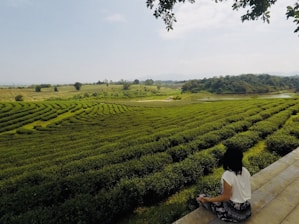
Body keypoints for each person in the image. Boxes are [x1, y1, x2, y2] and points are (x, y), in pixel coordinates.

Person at [196, 148, 252, 222]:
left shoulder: (228, 175)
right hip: (246, 210)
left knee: (201, 197)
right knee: (220, 195)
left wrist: (208, 200)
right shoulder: (245, 170)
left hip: (236, 213)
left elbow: (226, 197)